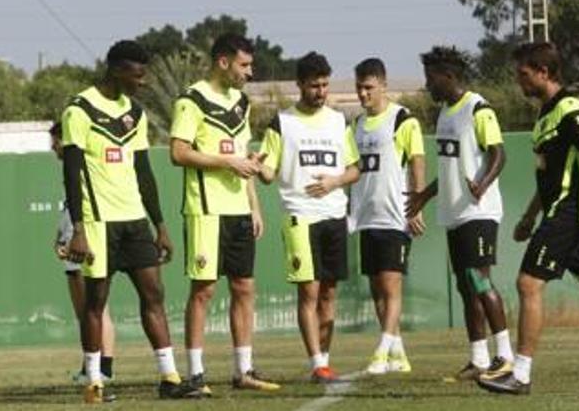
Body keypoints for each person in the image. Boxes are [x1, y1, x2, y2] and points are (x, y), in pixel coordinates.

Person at [478, 42, 579, 394]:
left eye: (523, 74)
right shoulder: (543, 117)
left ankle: (519, 375)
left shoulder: (570, 108)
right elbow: (547, 176)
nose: (518, 81)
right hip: (558, 212)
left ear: (544, 72)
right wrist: (528, 217)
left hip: (570, 211)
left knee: (528, 283)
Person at [60, 40, 199, 403]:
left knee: (154, 295)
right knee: (96, 302)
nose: (143, 81)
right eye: (137, 75)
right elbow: (71, 174)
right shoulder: (80, 110)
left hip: (135, 222)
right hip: (97, 222)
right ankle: (94, 382)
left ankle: (169, 377)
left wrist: (161, 226)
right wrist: (77, 230)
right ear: (117, 70)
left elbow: (144, 173)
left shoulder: (134, 114)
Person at [170, 32, 279, 395]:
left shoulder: (241, 103)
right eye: (244, 65)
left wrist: (255, 206)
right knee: (203, 290)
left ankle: (244, 369)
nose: (249, 72)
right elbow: (179, 152)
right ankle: (196, 375)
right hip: (205, 210)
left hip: (239, 212)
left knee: (245, 287)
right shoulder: (191, 100)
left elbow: (243, 155)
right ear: (223, 61)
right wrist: (226, 162)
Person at [407, 46, 515, 380]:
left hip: (478, 212)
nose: (428, 86)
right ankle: (478, 359)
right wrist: (425, 194)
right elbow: (452, 167)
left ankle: (506, 356)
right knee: (465, 287)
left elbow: (499, 154)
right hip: (454, 213)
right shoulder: (445, 115)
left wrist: (482, 183)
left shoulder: (478, 109)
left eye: (431, 79)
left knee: (478, 280)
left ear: (449, 77)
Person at [257, 52, 360, 383]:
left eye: (325, 85)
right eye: (314, 85)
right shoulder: (282, 123)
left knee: (329, 292)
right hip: (300, 216)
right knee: (309, 292)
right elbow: (269, 173)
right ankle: (316, 362)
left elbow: (354, 169)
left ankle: (325, 361)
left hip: (334, 214)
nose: (320, 91)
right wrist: (256, 166)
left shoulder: (339, 121)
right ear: (299, 85)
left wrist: (334, 181)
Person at [348, 58, 426, 375]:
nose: (363, 94)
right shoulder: (355, 126)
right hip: (366, 218)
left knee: (392, 286)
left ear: (383, 85)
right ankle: (397, 352)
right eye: (359, 88)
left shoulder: (403, 121)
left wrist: (416, 205)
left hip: (395, 217)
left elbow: (418, 161)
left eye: (368, 87)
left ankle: (381, 350)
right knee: (377, 289)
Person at [48, 122, 116, 384]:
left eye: (56, 141)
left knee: (95, 309)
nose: (53, 147)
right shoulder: (68, 171)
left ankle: (103, 369)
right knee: (86, 313)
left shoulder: (85, 167)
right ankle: (92, 366)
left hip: (86, 246)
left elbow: (88, 210)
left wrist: (79, 240)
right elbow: (69, 210)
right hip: (72, 246)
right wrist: (60, 237)